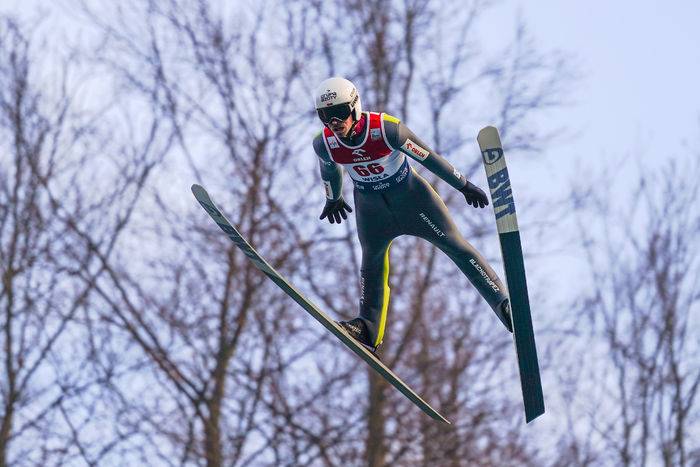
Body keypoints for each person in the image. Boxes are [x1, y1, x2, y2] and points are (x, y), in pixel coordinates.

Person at [312, 77, 511, 352]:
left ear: (355, 107)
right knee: (371, 261)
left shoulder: (387, 129)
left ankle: (503, 303)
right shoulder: (325, 143)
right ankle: (367, 330)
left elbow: (427, 157)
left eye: (340, 113)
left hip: (413, 200)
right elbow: (329, 169)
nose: (334, 122)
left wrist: (463, 185)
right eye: (325, 116)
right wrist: (333, 197)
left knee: (456, 245)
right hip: (372, 210)